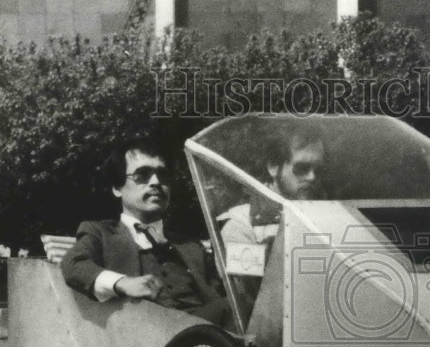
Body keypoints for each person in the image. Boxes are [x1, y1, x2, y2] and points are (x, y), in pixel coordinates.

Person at [60, 137, 227, 323]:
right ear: (117, 188)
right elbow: (73, 264)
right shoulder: (100, 233)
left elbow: (220, 296)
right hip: (149, 335)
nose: (156, 182)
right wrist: (123, 282)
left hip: (210, 337)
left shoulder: (190, 244)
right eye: (142, 174)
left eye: (163, 175)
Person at [218, 121, 325, 246]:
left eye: (318, 169)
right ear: (273, 166)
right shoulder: (241, 225)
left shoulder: (326, 217)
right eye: (302, 168)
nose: (312, 177)